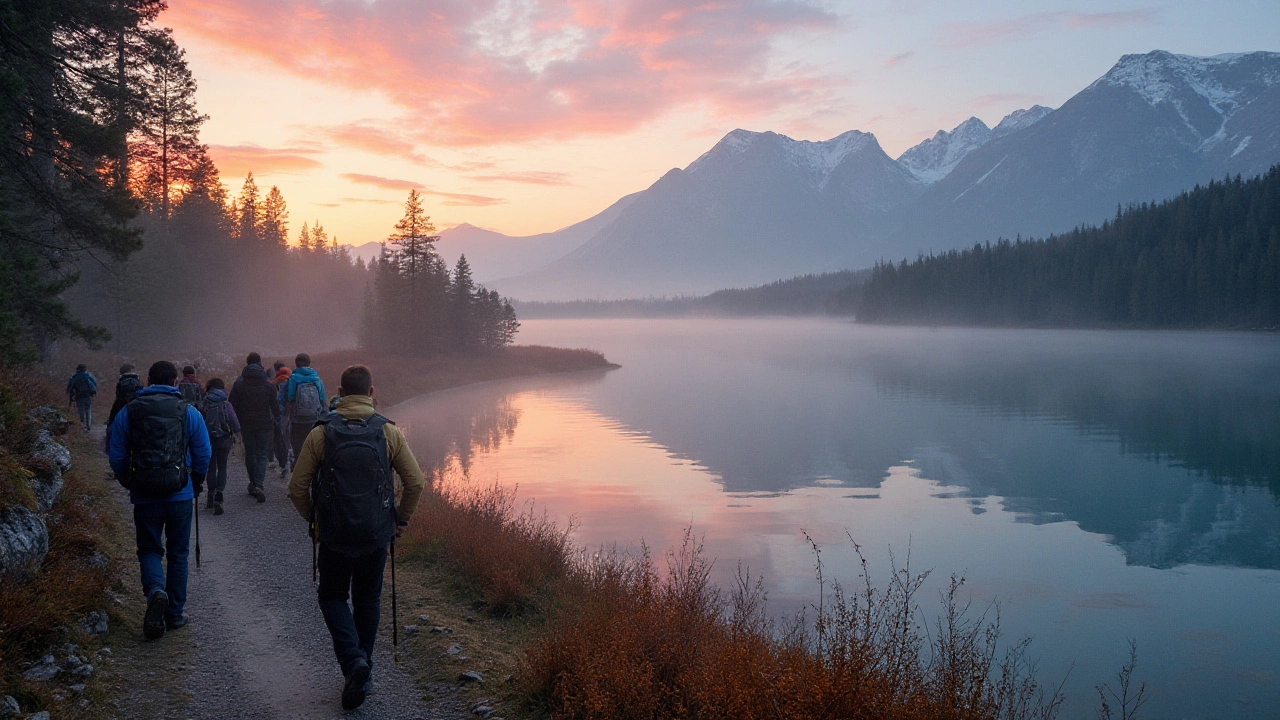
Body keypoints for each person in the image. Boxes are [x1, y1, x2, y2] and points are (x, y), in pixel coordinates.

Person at [288, 364, 425, 711]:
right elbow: (416, 482)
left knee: (333, 597)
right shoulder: (388, 432)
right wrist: (400, 520)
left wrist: (315, 520)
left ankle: (353, 664)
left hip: (334, 534)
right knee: (367, 600)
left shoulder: (322, 433)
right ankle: (364, 666)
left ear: (339, 391)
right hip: (376, 533)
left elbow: (296, 487)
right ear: (371, 392)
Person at [108, 360, 211, 640]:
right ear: (175, 382)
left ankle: (155, 591)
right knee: (178, 554)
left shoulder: (129, 412)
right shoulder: (188, 412)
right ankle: (174, 614)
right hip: (180, 493)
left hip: (144, 495)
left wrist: (128, 481)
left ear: (147, 381)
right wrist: (197, 481)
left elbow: (116, 454)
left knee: (150, 550)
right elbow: (203, 453)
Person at [228, 352, 280, 502]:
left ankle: (253, 483)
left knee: (250, 453)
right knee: (262, 454)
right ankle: (259, 484)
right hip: (265, 424)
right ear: (260, 364)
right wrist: (277, 422)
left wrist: (237, 421)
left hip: (246, 424)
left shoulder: (239, 384)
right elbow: (275, 408)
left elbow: (231, 405)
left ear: (247, 363)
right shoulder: (269, 386)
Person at [200, 378, 240, 516]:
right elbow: (235, 423)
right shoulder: (226, 403)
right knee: (222, 466)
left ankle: (211, 494)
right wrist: (237, 435)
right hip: (224, 439)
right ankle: (220, 493)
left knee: (211, 467)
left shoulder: (204, 402)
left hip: (208, 439)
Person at [283, 352, 327, 463]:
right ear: (309, 363)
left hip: (297, 418)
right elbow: (322, 399)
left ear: (296, 364)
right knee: (313, 442)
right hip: (314, 417)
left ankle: (298, 465)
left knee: (297, 443)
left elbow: (290, 397)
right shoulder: (316, 378)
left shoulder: (292, 378)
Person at [270, 362, 292, 475]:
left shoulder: (273, 383)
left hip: (277, 415)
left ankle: (282, 463)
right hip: (291, 415)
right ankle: (290, 460)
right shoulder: (292, 382)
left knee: (279, 439)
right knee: (288, 438)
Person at [66, 364, 97, 432]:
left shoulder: (75, 377)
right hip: (87, 396)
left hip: (79, 396)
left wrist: (70, 394)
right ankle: (88, 425)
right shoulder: (89, 376)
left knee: (80, 410)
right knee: (88, 410)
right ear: (85, 369)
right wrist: (93, 393)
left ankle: (82, 424)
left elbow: (70, 387)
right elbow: (94, 384)